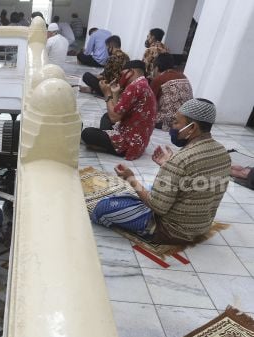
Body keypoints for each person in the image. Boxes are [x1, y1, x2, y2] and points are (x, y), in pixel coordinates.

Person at [97, 98, 231, 246]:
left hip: (171, 232)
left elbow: (157, 206)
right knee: (147, 189)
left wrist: (130, 179)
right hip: (201, 227)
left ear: (192, 128)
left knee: (102, 207)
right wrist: (168, 167)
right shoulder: (222, 152)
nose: (172, 127)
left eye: (176, 122)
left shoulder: (180, 160)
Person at [80, 60, 157, 161]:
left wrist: (107, 94)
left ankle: (103, 144)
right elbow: (117, 112)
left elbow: (114, 118)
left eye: (122, 74)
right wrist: (115, 93)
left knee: (87, 133)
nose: (121, 77)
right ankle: (104, 140)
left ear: (131, 72)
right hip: (138, 141)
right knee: (105, 116)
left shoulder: (135, 86)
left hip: (128, 144)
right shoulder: (143, 84)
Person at [150, 53, 193, 131]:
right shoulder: (183, 76)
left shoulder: (159, 79)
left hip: (167, 122)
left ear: (156, 68)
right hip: (186, 121)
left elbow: (149, 103)